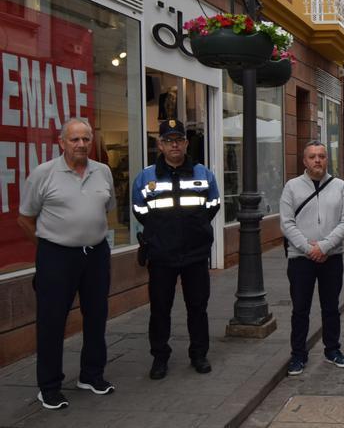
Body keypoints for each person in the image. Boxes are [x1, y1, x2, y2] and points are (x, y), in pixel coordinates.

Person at [17, 118, 116, 409]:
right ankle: (49, 387)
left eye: (86, 139)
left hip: (96, 254)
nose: (82, 145)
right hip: (56, 256)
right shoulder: (43, 173)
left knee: (97, 316)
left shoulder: (104, 171)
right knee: (52, 321)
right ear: (62, 143)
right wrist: (48, 247)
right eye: (75, 139)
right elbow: (25, 218)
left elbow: (106, 209)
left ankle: (91, 375)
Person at [131, 119, 221, 380]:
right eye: (168, 140)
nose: (174, 145)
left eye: (179, 140)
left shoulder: (203, 174)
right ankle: (160, 358)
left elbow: (213, 205)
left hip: (195, 253)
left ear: (186, 142)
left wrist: (197, 228)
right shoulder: (146, 177)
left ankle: (199, 354)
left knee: (198, 307)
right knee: (160, 309)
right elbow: (139, 210)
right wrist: (160, 232)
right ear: (160, 144)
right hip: (161, 255)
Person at [280, 140, 344, 375]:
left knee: (331, 307)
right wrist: (308, 248)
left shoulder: (340, 186)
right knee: (300, 309)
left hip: (332, 258)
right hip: (300, 259)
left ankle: (332, 349)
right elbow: (286, 222)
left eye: (321, 156)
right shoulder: (291, 187)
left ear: (327, 159)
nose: (317, 160)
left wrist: (324, 246)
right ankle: (298, 355)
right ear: (304, 161)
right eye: (312, 156)